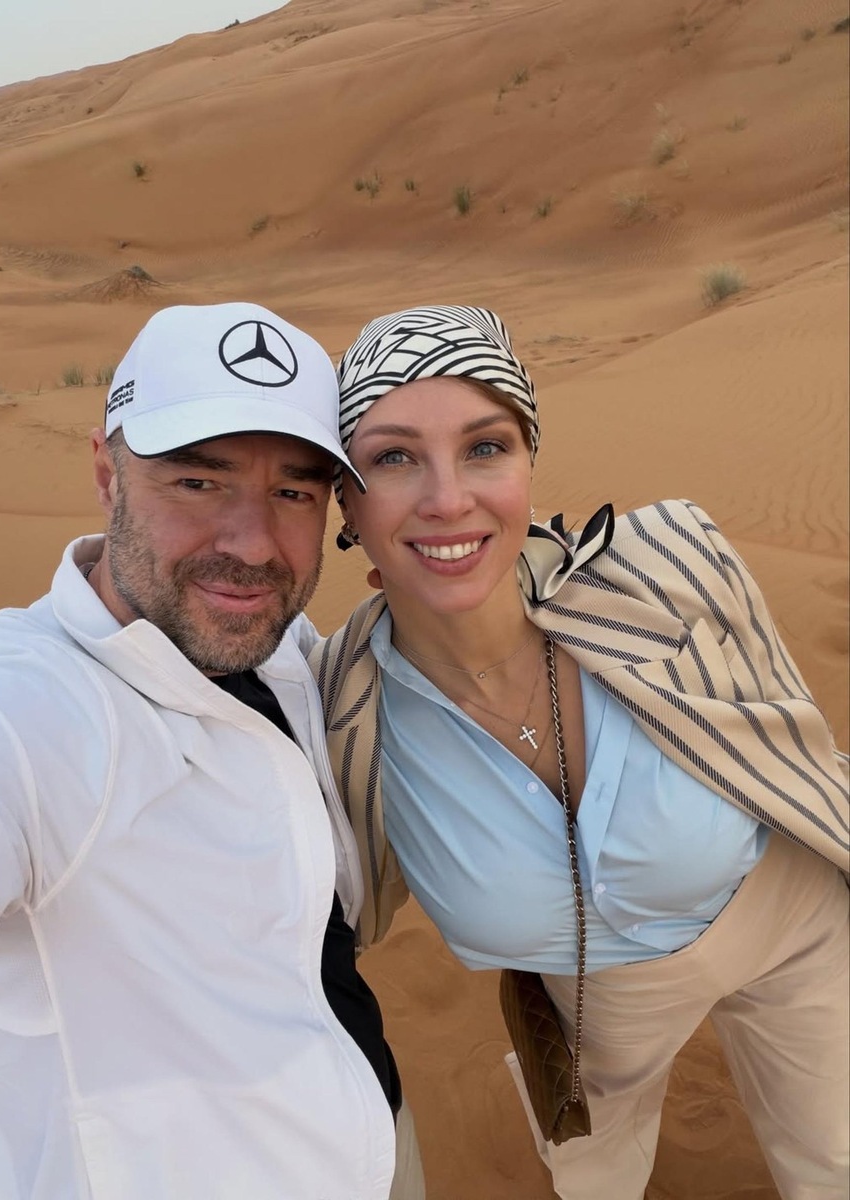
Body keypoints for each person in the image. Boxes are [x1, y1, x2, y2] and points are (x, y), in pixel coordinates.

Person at [310, 304, 850, 1200]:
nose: (448, 498)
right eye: (394, 458)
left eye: (485, 447)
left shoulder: (670, 566)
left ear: (527, 462)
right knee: (594, 1180)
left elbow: (797, 752)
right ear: (346, 501)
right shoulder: (339, 710)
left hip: (793, 925)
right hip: (595, 1007)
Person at [0, 303, 425, 1200]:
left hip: (376, 1139)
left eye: (294, 493)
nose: (252, 545)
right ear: (107, 474)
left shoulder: (281, 650)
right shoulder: (9, 710)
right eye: (198, 482)